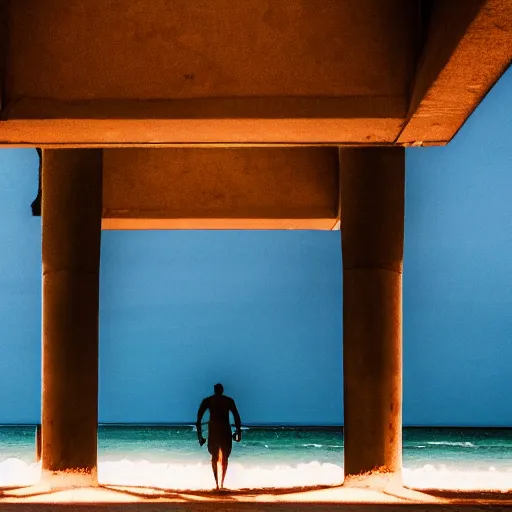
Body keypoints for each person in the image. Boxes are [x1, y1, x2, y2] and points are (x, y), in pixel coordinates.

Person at [196, 383, 242, 489]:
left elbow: (198, 418)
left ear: (214, 390)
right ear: (222, 390)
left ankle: (217, 484)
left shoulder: (208, 400)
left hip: (214, 430)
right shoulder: (228, 400)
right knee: (225, 457)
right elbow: (236, 416)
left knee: (214, 457)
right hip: (225, 430)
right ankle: (221, 484)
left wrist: (200, 435)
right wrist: (238, 432)